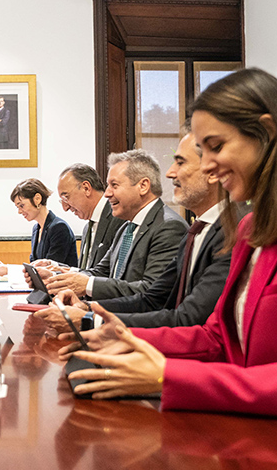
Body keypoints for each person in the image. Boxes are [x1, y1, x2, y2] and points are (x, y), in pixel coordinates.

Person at [59, 69, 277, 470]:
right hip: (252, 432)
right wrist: (119, 336)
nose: (210, 165)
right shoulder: (253, 226)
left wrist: (166, 375)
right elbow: (217, 337)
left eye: (215, 147)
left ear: (267, 133)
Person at [38, 128, 233, 330]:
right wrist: (86, 307)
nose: (170, 172)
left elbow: (186, 318)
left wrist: (91, 318)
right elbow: (150, 298)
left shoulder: (179, 227)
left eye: (181, 162)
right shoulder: (129, 228)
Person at [43, 150, 187, 301]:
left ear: (143, 186)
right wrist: (57, 276)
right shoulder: (127, 228)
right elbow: (101, 272)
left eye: (114, 185)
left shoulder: (169, 227)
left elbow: (151, 291)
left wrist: (88, 292)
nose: (106, 193)